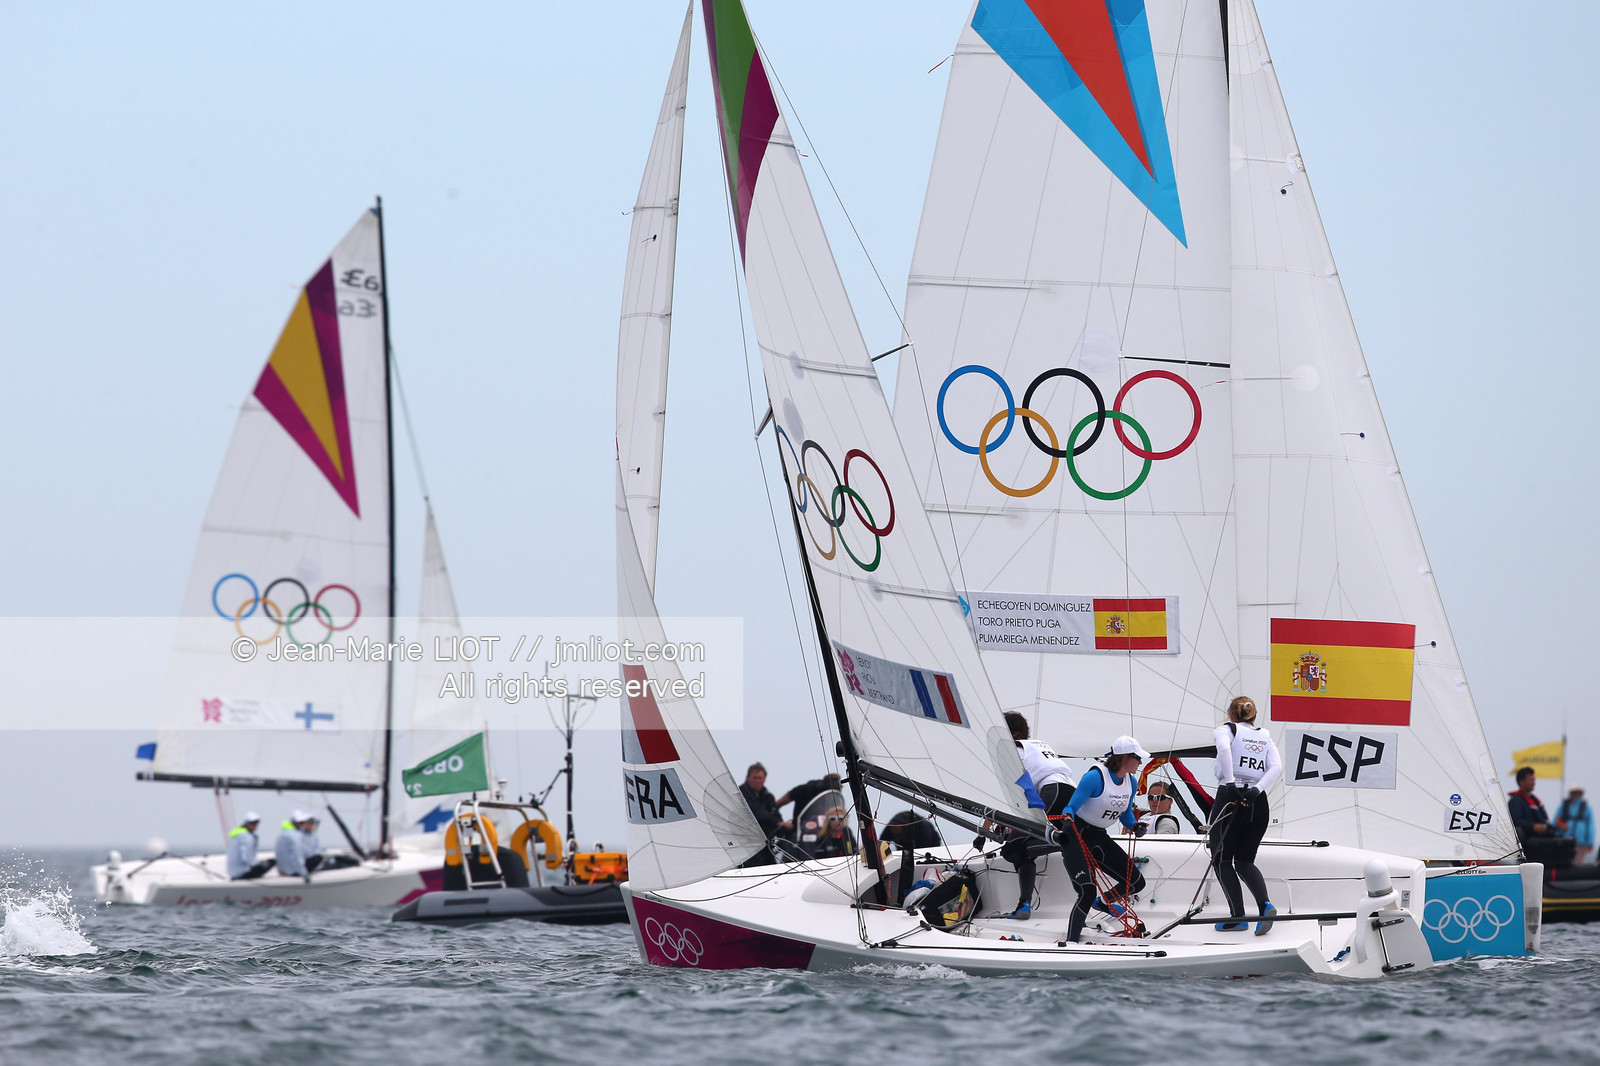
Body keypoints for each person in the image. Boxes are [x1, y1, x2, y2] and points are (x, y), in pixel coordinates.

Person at [1058, 735, 1150, 943]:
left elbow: (1126, 814)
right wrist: (1068, 815)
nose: (1141, 763)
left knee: (1136, 882)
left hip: (1099, 836)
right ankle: (1071, 942)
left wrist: (1134, 826)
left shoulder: (1131, 782)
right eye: (1138, 758)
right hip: (1076, 835)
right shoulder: (1095, 778)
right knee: (1087, 891)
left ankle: (1104, 901)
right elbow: (1070, 807)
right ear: (1126, 758)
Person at [1210, 696, 1283, 935]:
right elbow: (1276, 767)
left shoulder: (1226, 730)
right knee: (1244, 861)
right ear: (1253, 715)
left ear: (1231, 714)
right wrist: (1255, 790)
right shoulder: (1265, 736)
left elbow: (1223, 750)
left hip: (1229, 798)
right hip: (1257, 802)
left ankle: (1238, 917)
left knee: (1221, 860)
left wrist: (1231, 783)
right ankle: (1265, 905)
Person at [1001, 712, 1077, 920]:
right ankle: (1023, 904)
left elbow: (1010, 789)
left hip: (1052, 791)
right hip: (1072, 793)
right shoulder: (1040, 745)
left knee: (1010, 849)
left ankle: (1068, 843)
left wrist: (990, 824)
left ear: (1010, 733)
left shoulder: (1015, 749)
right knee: (1022, 849)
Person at [739, 762, 781, 866]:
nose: (757, 781)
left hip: (766, 845)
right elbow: (756, 814)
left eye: (760, 778)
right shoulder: (741, 795)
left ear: (764, 779)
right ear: (748, 778)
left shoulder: (768, 797)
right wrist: (777, 822)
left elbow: (776, 816)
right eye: (754, 778)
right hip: (748, 845)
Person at [226, 812, 272, 880]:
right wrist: (260, 863)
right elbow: (247, 858)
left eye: (256, 823)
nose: (254, 826)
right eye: (252, 823)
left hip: (233, 873)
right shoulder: (246, 836)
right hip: (242, 873)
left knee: (264, 864)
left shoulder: (237, 833)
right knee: (272, 862)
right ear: (246, 823)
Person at [1555, 786, 1595, 865]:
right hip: (1565, 839)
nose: (1576, 794)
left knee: (1579, 862)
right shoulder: (1564, 805)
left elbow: (1590, 825)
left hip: (1580, 841)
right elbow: (1556, 820)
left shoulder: (1587, 807)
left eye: (1578, 792)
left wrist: (1590, 841)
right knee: (1565, 862)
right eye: (1574, 792)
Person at [275, 811, 311, 881]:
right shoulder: (295, 836)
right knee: (317, 858)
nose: (303, 825)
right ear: (297, 823)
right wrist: (304, 874)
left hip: (283, 872)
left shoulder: (283, 833)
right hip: (293, 873)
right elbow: (297, 856)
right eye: (302, 823)